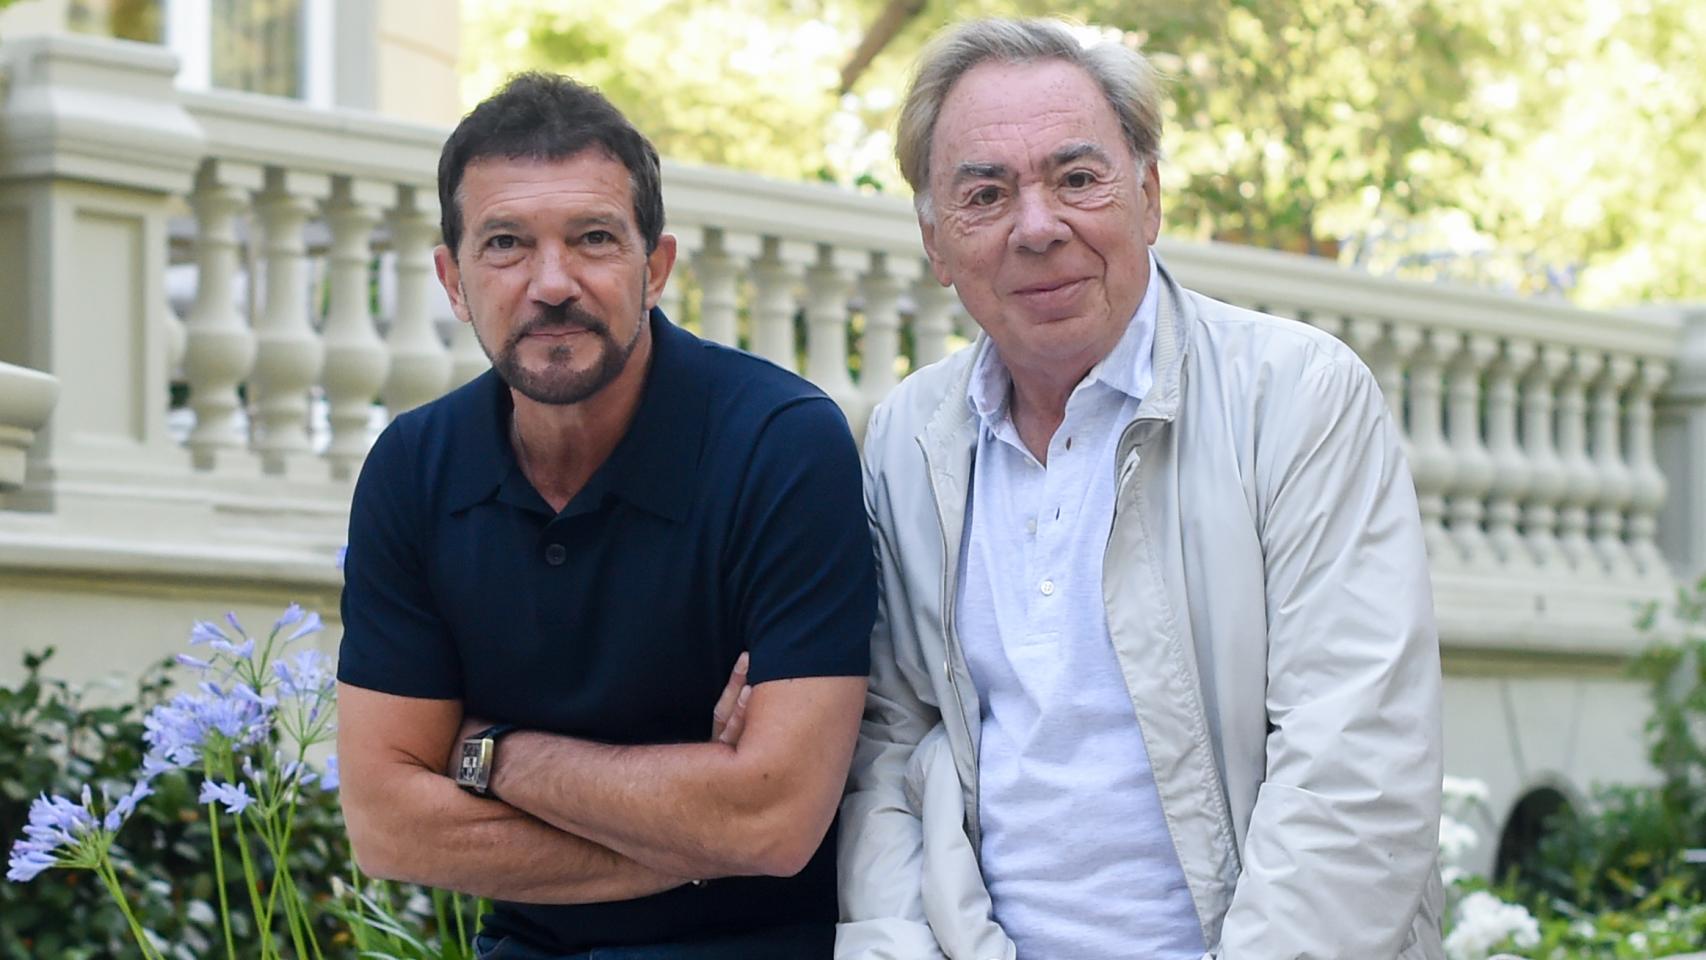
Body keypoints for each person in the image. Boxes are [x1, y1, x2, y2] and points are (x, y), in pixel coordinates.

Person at [838, 18, 1444, 960]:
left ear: (1150, 196)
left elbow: (1358, 768)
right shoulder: (908, 440)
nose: (1038, 227)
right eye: (986, 194)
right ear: (934, 241)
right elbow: (888, 753)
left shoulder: (1296, 397)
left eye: (1078, 179)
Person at [336, 73, 876, 960]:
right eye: (505, 244)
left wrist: (492, 755)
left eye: (592, 239)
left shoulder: (779, 443)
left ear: (654, 268)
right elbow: (389, 828)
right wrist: (698, 831)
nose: (552, 283)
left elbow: (774, 823)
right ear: (454, 279)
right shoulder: (414, 468)